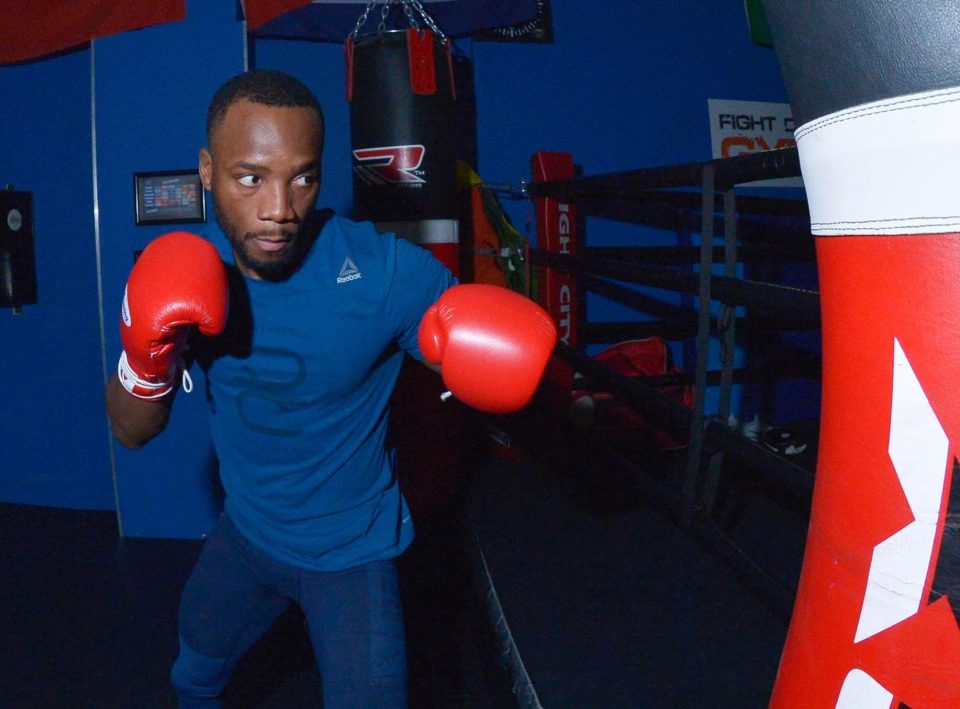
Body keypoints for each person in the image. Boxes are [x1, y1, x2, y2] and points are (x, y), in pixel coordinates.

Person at [104, 69, 556, 708]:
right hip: (246, 534)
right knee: (193, 675)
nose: (279, 210)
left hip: (352, 555)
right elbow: (132, 430)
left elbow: (479, 348)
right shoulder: (185, 279)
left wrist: (499, 367)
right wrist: (145, 359)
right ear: (207, 171)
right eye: (251, 177)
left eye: (303, 177)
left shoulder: (382, 274)